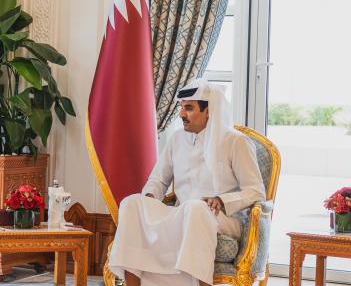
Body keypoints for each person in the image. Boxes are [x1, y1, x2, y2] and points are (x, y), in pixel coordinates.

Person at [108, 79, 265, 286]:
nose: (181, 114)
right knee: (132, 203)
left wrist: (221, 199)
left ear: (208, 110)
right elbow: (157, 179)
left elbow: (256, 191)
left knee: (196, 209)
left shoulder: (235, 142)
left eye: (189, 108)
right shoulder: (176, 139)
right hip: (183, 213)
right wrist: (149, 198)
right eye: (181, 108)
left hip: (223, 217)